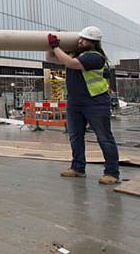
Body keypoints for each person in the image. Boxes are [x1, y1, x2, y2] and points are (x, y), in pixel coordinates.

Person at [46, 26, 120, 185]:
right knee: (75, 136)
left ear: (93, 42)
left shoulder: (95, 57)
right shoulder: (77, 54)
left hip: (95, 102)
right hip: (75, 102)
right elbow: (51, 58)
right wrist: (51, 46)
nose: (80, 41)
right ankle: (78, 168)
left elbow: (71, 63)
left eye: (84, 39)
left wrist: (56, 47)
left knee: (104, 138)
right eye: (80, 38)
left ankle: (112, 173)